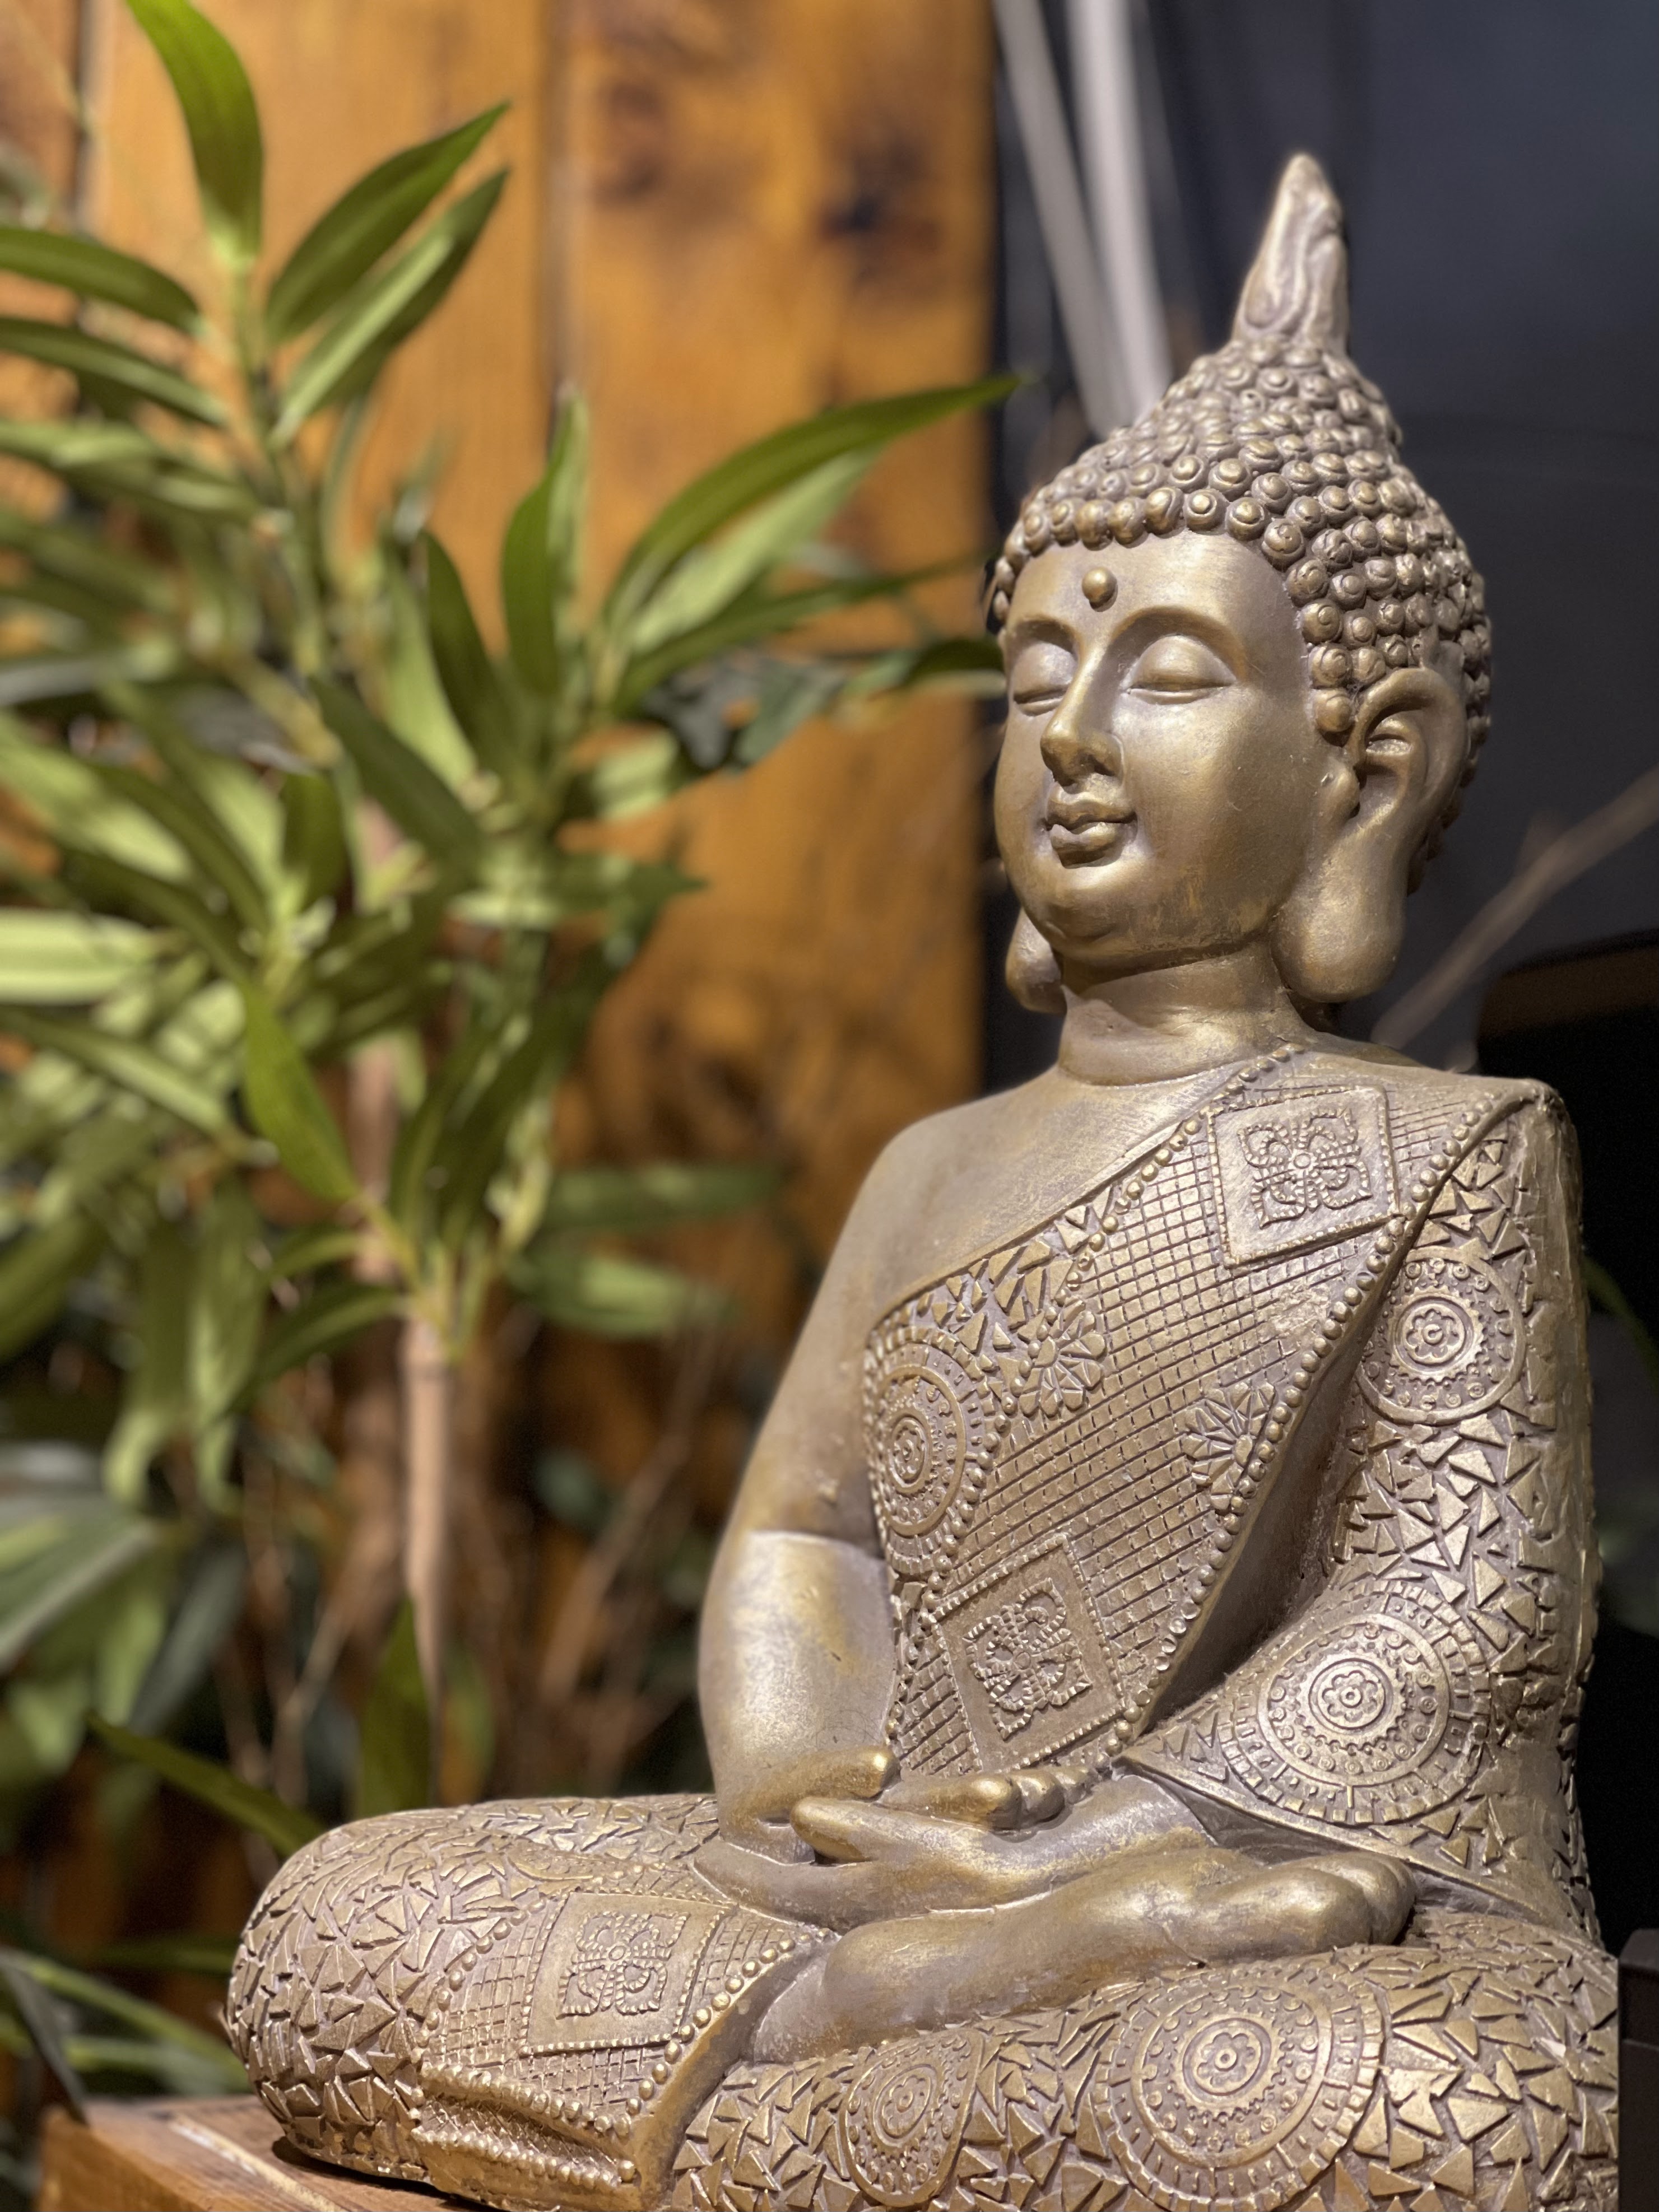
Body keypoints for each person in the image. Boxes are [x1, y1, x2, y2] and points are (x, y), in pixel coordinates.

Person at [231, 157, 1616, 2212]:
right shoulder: (930, 1168)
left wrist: (1099, 1848)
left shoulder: (1441, 1152)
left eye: (1162, 674)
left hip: (1226, 1870)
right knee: (349, 1921)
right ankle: (873, 2033)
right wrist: (813, 1799)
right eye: (1035, 675)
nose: (1071, 735)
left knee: (1423, 2103)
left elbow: (1456, 1610)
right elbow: (809, 1539)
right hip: (899, 1885)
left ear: (1366, 762)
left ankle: (787, 2077)